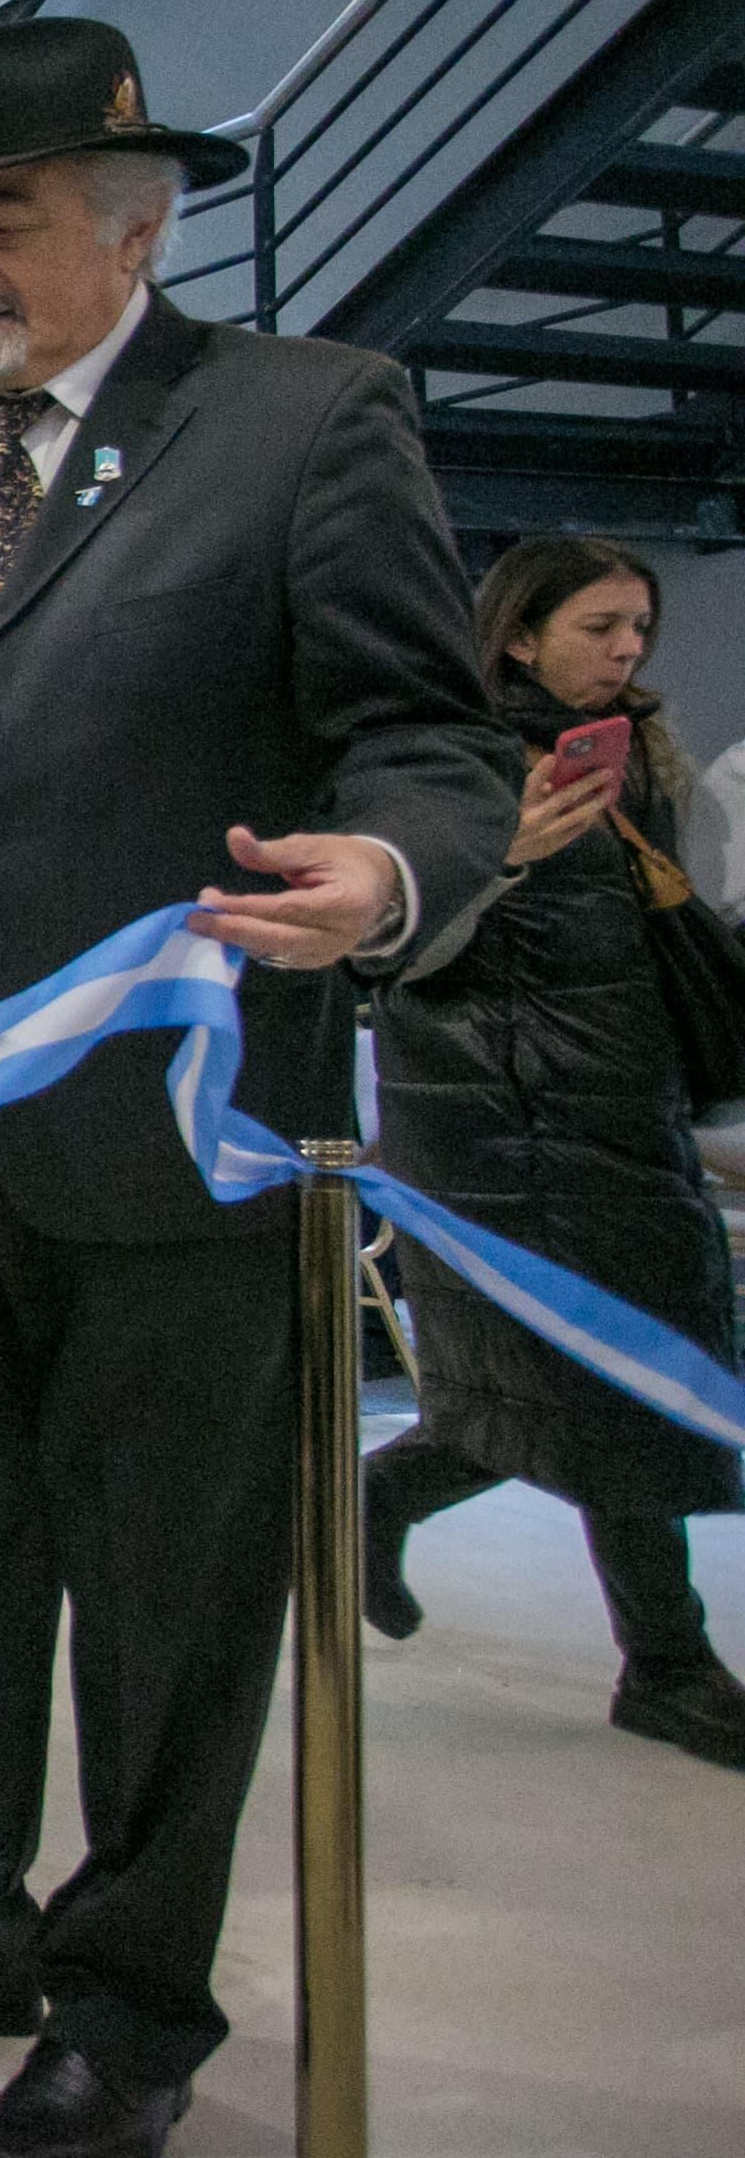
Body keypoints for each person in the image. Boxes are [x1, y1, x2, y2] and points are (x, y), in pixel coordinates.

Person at [0, 19, 510, 2158]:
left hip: (181, 1141)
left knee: (168, 1603)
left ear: (131, 222)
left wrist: (391, 869)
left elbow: (421, 737)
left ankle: (128, 1999)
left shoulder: (299, 419)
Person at [366, 536, 745, 1772]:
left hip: (610, 1102)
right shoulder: (454, 764)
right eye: (599, 626)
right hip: (503, 1120)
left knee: (597, 1372)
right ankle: (669, 1665)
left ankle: (381, 1497)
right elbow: (389, 957)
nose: (627, 648)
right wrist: (500, 850)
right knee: (621, 1372)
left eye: (638, 624)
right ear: (517, 634)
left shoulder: (632, 756)